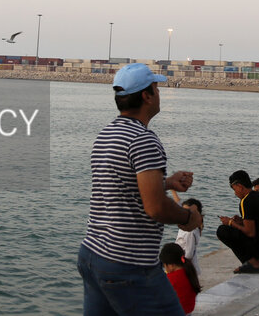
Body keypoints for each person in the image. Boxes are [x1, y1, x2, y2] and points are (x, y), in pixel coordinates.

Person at [78, 63, 203, 316]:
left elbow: (117, 185)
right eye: (156, 89)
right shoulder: (144, 139)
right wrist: (189, 219)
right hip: (129, 264)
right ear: (146, 96)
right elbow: (155, 207)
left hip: (93, 254)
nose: (159, 95)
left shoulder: (106, 135)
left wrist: (166, 182)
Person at [217, 170, 259, 273]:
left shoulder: (246, 201)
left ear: (240, 186)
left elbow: (250, 232)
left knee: (223, 231)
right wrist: (241, 221)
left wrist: (230, 223)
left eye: (234, 189)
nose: (235, 193)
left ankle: (252, 263)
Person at [160, 242, 200, 314]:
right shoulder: (190, 271)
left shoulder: (170, 278)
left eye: (164, 266)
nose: (165, 268)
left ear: (171, 265)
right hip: (188, 310)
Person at [173, 198, 204, 273]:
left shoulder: (189, 232)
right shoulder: (188, 227)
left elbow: (189, 254)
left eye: (187, 213)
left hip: (187, 269)